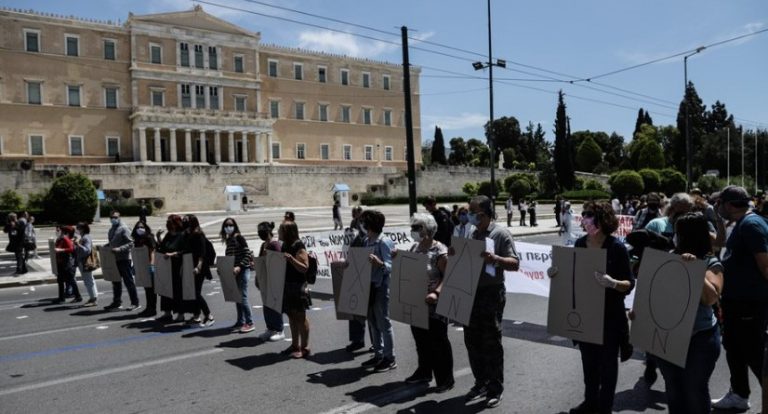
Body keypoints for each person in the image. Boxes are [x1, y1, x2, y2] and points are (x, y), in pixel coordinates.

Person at [553, 201, 634, 414]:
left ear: (603, 220)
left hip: (610, 318)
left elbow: (629, 284)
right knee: (589, 366)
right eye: (584, 215)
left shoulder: (616, 248)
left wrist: (613, 283)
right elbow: (573, 278)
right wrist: (557, 274)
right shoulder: (580, 244)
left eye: (590, 215)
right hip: (586, 315)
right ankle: (590, 403)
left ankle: (604, 407)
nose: (585, 219)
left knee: (608, 368)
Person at [651, 213, 722, 413]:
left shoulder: (710, 263)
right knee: (674, 388)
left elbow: (711, 298)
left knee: (695, 390)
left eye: (678, 233)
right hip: (668, 336)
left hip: (699, 338)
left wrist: (693, 269)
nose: (674, 236)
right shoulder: (667, 257)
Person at [711, 186, 768, 411]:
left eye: (720, 203)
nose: (717, 207)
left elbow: (765, 265)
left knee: (753, 352)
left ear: (730, 204)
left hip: (749, 303)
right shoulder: (740, 224)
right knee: (734, 348)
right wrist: (717, 220)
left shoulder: (752, 225)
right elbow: (720, 244)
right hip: (736, 301)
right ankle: (739, 394)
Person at [462, 195, 520, 408]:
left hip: (491, 293)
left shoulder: (500, 234)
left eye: (472, 211)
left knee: (491, 342)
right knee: (472, 340)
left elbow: (514, 263)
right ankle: (481, 382)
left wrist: (495, 259)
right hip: (470, 292)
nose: (468, 214)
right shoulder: (471, 233)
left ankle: (495, 387)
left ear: (483, 214)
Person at [403, 213, 454, 393]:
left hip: (434, 305)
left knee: (438, 343)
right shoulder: (414, 248)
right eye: (413, 227)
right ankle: (424, 372)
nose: (413, 230)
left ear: (429, 230)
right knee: (421, 341)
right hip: (417, 304)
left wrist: (436, 293)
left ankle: (445, 379)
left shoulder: (440, 251)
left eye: (418, 227)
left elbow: (449, 277)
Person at [359, 209, 397, 372]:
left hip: (381, 286)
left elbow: (392, 266)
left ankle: (390, 358)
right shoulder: (367, 241)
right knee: (373, 322)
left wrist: (380, 263)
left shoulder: (383, 242)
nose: (362, 224)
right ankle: (378, 353)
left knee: (384, 322)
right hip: (369, 286)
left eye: (364, 221)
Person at [279, 221, 312, 358]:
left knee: (300, 316)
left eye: (281, 230)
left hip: (298, 285)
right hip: (287, 284)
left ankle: (305, 347)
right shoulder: (285, 245)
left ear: (288, 232)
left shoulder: (298, 245)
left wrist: (292, 259)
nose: (278, 232)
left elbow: (305, 267)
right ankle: (294, 345)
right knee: (291, 316)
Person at [221, 217, 255, 333]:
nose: (228, 227)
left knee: (242, 297)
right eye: (226, 225)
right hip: (234, 272)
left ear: (234, 226)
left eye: (230, 225)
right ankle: (240, 321)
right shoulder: (229, 240)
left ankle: (250, 322)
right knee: (237, 298)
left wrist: (239, 266)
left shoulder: (239, 238)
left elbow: (247, 254)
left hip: (242, 270)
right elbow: (229, 257)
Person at [344, 206, 370, 352]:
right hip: (356, 277)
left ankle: (377, 344)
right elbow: (350, 252)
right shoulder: (357, 237)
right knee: (354, 311)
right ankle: (357, 340)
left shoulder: (373, 239)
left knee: (372, 317)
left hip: (369, 278)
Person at [256, 221, 285, 342]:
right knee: (266, 306)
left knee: (274, 305)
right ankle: (270, 328)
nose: (260, 234)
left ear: (268, 232)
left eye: (262, 232)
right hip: (264, 279)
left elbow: (279, 263)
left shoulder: (275, 245)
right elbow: (261, 262)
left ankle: (279, 329)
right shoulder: (263, 245)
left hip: (273, 279)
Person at [104, 211, 139, 311]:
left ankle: (135, 302)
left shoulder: (124, 228)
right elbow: (112, 243)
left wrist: (119, 249)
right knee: (115, 281)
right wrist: (105, 247)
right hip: (114, 259)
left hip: (124, 258)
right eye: (111, 217)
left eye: (115, 217)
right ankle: (117, 302)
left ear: (119, 217)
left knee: (128, 282)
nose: (113, 219)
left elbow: (131, 243)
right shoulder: (112, 229)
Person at [155, 214, 188, 321]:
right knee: (165, 289)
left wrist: (174, 254)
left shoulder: (183, 235)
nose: (169, 224)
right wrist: (158, 237)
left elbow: (185, 251)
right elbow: (163, 247)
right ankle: (167, 313)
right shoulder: (169, 235)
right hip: (166, 266)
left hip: (177, 266)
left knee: (177, 291)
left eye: (171, 222)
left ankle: (180, 314)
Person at [185, 215, 214, 327]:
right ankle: (196, 315)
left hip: (199, 268)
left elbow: (202, 252)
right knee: (195, 292)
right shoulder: (191, 233)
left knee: (196, 292)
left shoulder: (198, 234)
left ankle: (209, 315)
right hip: (192, 266)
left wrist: (198, 266)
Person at [132, 221, 158, 318]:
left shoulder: (149, 237)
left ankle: (152, 309)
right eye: (138, 227)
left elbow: (152, 252)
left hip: (149, 265)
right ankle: (148, 308)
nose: (140, 228)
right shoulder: (137, 239)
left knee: (151, 289)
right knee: (147, 288)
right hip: (141, 265)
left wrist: (151, 265)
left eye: (142, 227)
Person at [53, 225, 82, 304]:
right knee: (60, 281)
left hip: (66, 264)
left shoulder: (65, 239)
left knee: (71, 280)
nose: (57, 232)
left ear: (64, 232)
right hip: (60, 263)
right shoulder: (59, 240)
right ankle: (61, 298)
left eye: (59, 231)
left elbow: (71, 249)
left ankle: (78, 296)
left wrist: (60, 250)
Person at [74, 222, 98, 306]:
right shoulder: (84, 237)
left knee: (88, 281)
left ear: (82, 229)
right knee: (89, 280)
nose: (76, 229)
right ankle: (93, 297)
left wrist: (78, 244)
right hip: (82, 262)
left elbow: (87, 250)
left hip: (85, 262)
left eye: (78, 228)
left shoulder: (86, 237)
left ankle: (93, 299)